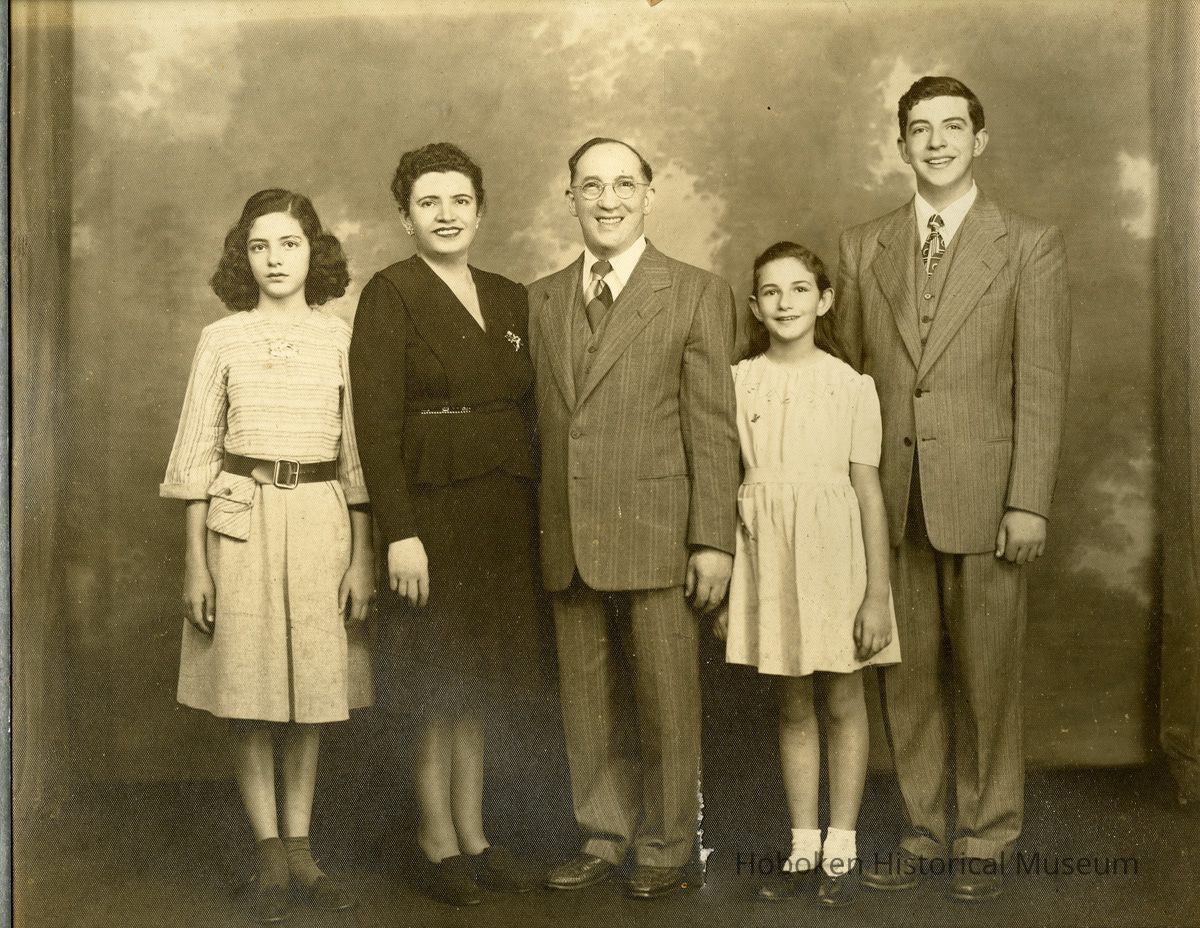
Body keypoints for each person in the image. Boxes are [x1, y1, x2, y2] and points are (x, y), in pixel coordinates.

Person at [835, 76, 1071, 901]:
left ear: (980, 140)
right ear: (900, 144)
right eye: (920, 129)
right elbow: (850, 382)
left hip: (989, 496)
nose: (936, 142)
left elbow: (1041, 382)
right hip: (892, 500)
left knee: (987, 676)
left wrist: (1028, 499)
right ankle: (923, 830)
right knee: (905, 678)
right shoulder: (862, 246)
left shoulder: (1029, 244)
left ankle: (985, 834)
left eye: (952, 127)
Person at [529, 137, 740, 900]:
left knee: (665, 699)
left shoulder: (695, 292)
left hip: (658, 531)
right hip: (569, 532)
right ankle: (603, 833)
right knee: (587, 701)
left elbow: (712, 427)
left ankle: (667, 845)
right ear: (571, 199)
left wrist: (713, 540)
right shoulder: (541, 298)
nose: (607, 200)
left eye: (624, 184)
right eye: (591, 186)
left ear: (650, 195)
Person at [160, 189, 373, 923]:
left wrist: (362, 559)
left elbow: (358, 458)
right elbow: (195, 458)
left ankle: (303, 849)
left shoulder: (342, 338)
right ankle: (268, 853)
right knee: (247, 693)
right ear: (241, 258)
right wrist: (196, 563)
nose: (275, 260)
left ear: (314, 252)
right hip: (238, 522)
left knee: (310, 693)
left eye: (289, 244)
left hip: (321, 521)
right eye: (259, 246)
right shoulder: (222, 338)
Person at [349, 142, 543, 907]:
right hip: (429, 513)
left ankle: (476, 836)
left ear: (481, 210)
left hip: (503, 509)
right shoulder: (389, 293)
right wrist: (399, 532)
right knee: (436, 680)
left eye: (460, 200)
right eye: (428, 202)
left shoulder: (510, 296)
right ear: (406, 218)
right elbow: (374, 425)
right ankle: (436, 839)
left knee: (481, 679)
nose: (446, 214)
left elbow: (530, 407)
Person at [716, 241, 900, 908]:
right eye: (771, 291)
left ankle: (841, 846)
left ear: (824, 301)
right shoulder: (738, 382)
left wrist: (876, 593)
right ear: (754, 306)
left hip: (836, 558)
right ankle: (802, 846)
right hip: (767, 556)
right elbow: (725, 482)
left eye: (799, 290)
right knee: (792, 703)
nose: (785, 302)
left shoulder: (850, 386)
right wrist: (728, 584)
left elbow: (868, 492)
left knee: (844, 700)